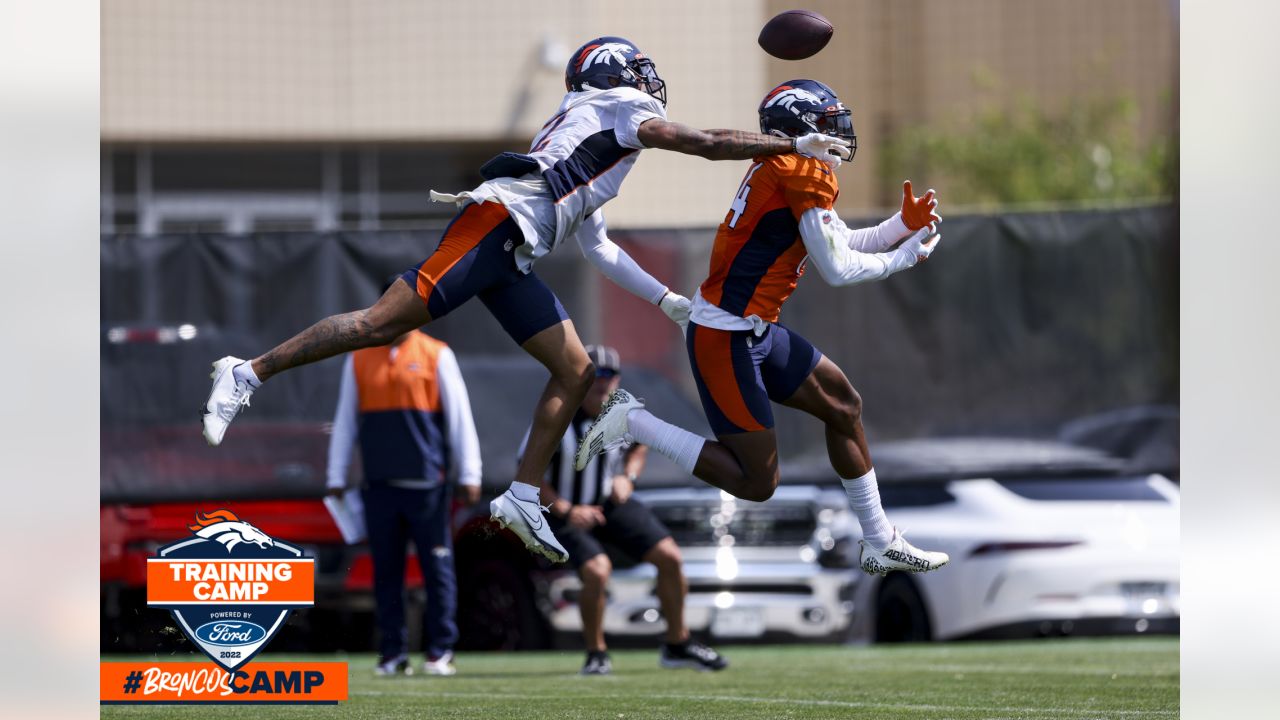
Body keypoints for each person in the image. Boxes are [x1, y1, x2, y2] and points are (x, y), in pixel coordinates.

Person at [201, 37, 851, 564]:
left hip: (514, 250)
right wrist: (791, 143)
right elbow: (705, 143)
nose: (650, 81)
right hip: (494, 227)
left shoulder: (587, 130)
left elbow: (599, 246)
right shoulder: (618, 102)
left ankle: (520, 495)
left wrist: (665, 301)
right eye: (641, 70)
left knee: (576, 370)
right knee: (380, 325)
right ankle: (247, 371)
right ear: (615, 72)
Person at [576, 79, 950, 577]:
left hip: (754, 329)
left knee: (842, 405)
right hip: (725, 334)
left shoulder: (790, 167)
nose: (837, 131)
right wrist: (900, 259)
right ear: (799, 127)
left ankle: (880, 540)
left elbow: (840, 240)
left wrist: (899, 226)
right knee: (757, 482)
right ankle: (631, 422)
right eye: (826, 121)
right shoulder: (797, 169)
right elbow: (837, 268)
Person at [518, 345, 726, 675]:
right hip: (562, 510)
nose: (603, 383)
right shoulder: (556, 414)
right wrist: (569, 509)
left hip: (609, 506)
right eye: (595, 375)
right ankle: (596, 653)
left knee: (670, 557)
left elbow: (641, 445)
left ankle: (677, 643)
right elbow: (528, 474)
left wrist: (627, 477)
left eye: (610, 375)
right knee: (598, 570)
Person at [324, 293, 482, 677]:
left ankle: (441, 651)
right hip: (379, 485)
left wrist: (470, 473)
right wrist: (336, 475)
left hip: (428, 486)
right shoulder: (359, 356)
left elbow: (460, 416)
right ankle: (392, 654)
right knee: (386, 572)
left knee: (437, 569)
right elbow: (345, 420)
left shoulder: (436, 353)